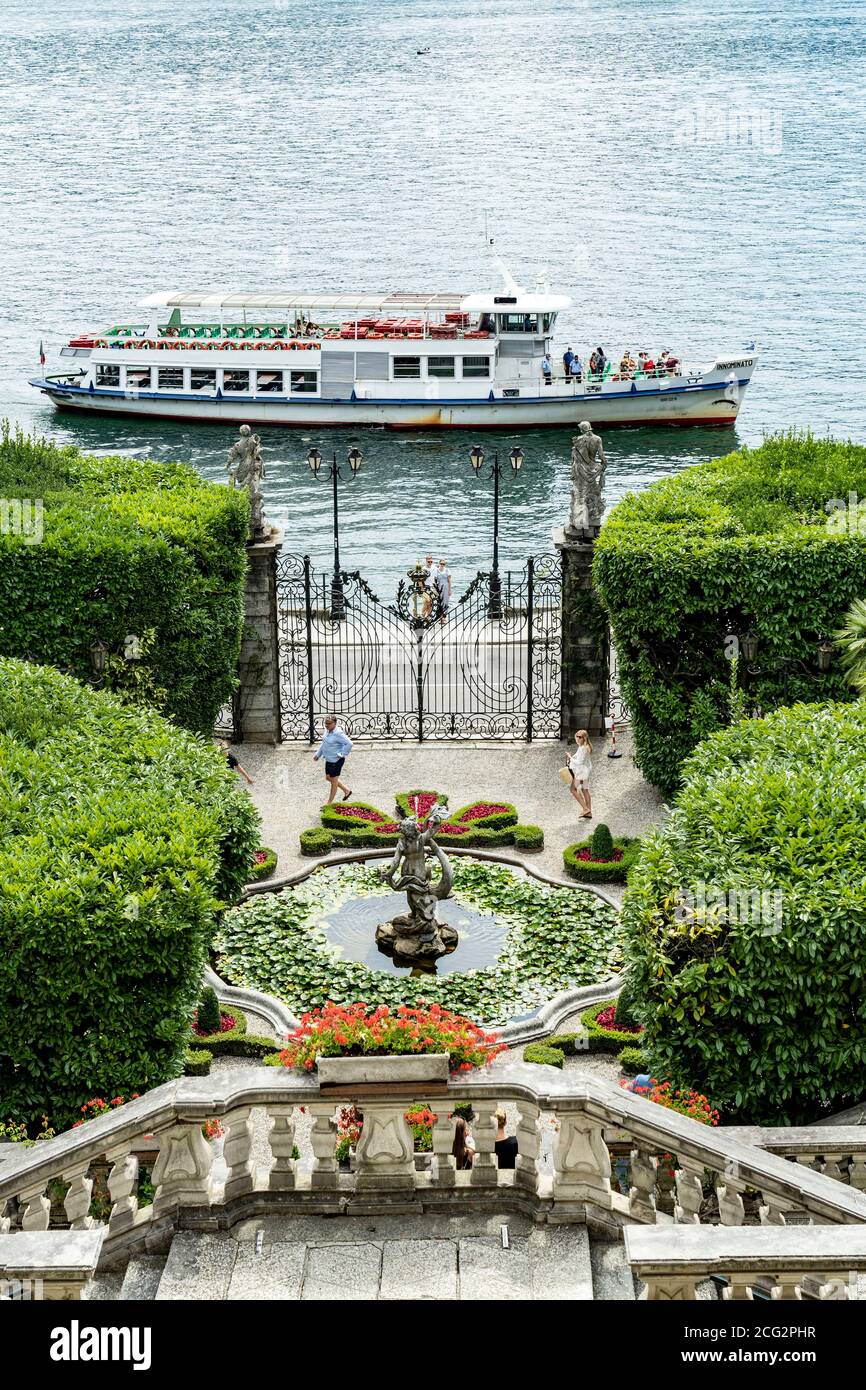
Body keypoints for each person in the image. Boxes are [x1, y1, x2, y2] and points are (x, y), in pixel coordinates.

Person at [313, 714, 353, 803]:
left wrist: (342, 754)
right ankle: (347, 790)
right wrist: (318, 754)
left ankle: (329, 803)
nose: (326, 725)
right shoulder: (327, 731)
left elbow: (349, 744)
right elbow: (324, 743)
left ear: (334, 723)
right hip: (328, 760)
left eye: (329, 723)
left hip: (337, 761)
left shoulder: (338, 733)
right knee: (328, 778)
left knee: (333, 782)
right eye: (325, 723)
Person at [568, 728, 593, 819]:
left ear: (584, 738)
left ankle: (585, 809)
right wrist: (571, 756)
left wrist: (570, 758)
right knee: (585, 790)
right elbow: (578, 756)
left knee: (573, 789)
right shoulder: (585, 746)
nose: (577, 738)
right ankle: (589, 812)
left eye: (580, 737)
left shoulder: (583, 748)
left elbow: (579, 762)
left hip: (581, 773)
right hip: (585, 772)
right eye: (577, 736)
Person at [434, 557, 452, 625]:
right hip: (438, 588)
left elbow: (450, 580)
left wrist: (450, 590)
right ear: (439, 564)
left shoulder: (447, 570)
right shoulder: (436, 570)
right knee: (439, 602)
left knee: (445, 602)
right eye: (441, 563)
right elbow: (434, 580)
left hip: (446, 587)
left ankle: (444, 617)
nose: (442, 565)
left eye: (443, 564)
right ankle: (440, 617)